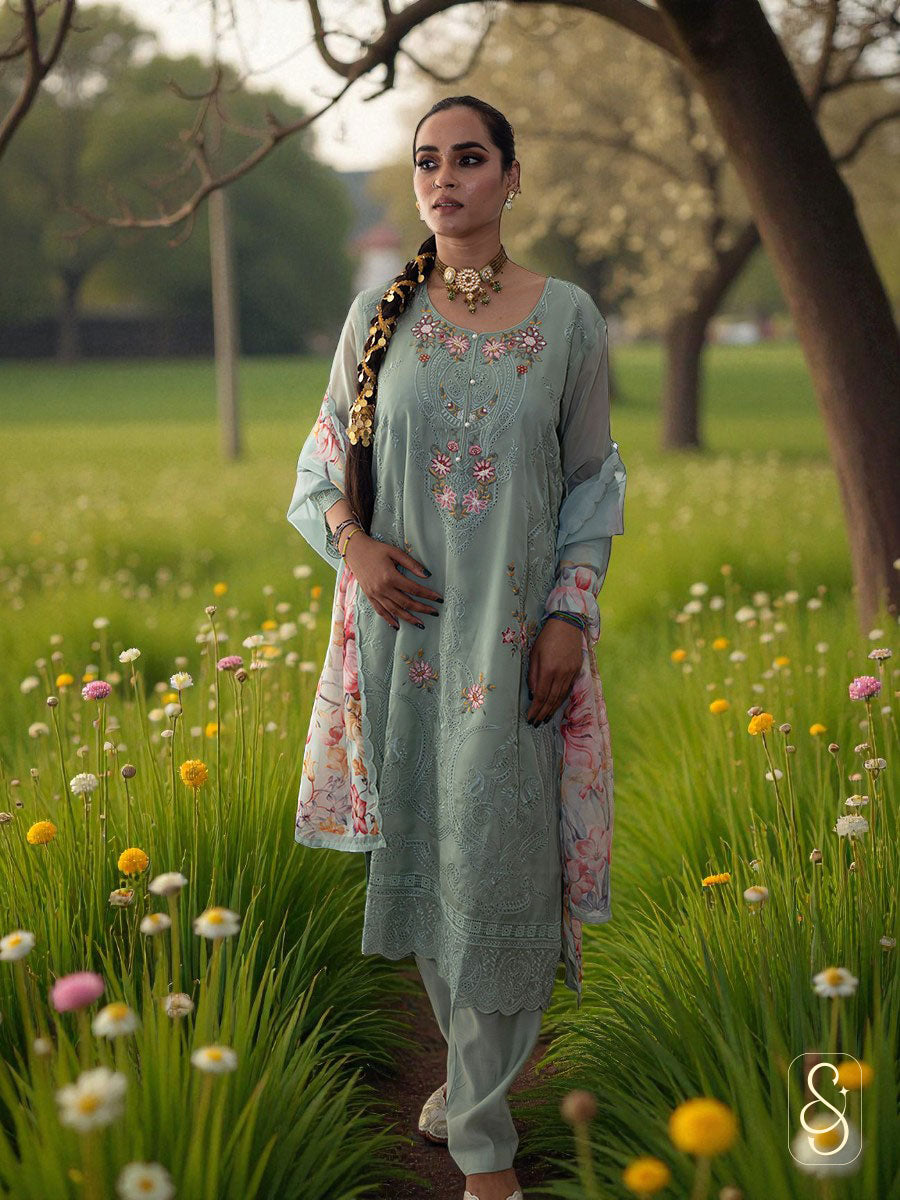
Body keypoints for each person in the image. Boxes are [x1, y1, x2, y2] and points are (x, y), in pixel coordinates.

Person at [286, 94, 626, 1200]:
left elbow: (591, 481)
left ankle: (484, 1148)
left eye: (470, 159)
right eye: (429, 161)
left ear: (510, 178)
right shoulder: (377, 316)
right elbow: (322, 463)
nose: (447, 179)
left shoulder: (568, 318)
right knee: (436, 859)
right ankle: (467, 1087)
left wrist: (572, 611)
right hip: (407, 648)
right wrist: (356, 546)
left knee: (505, 868)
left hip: (519, 644)